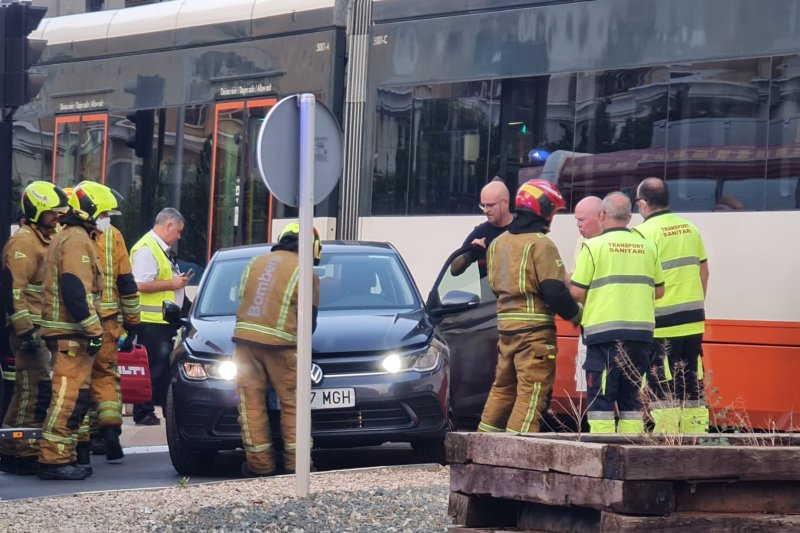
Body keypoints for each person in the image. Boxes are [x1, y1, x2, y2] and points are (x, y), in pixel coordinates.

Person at [478, 179, 582, 434]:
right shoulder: (541, 244)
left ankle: (482, 443)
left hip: (506, 330)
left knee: (502, 389)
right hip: (534, 335)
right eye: (553, 212)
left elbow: (492, 287)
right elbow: (555, 292)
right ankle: (516, 453)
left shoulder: (499, 243)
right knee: (531, 395)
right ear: (544, 210)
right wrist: (579, 315)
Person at [570, 192, 664, 434]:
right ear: (629, 217)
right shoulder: (648, 246)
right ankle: (631, 449)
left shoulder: (593, 247)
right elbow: (660, 291)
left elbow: (577, 293)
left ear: (602, 215)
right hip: (641, 337)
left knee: (601, 400)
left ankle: (602, 451)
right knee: (631, 399)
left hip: (604, 337)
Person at [233, 222, 320, 476]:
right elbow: (309, 323)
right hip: (282, 347)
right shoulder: (306, 272)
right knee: (294, 403)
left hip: (246, 343)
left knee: (250, 404)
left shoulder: (254, 263)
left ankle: (260, 466)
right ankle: (297, 466)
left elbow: (242, 300)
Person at [67, 182, 141, 463]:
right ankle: (109, 429)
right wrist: (133, 322)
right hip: (109, 323)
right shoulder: (115, 236)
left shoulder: (69, 235)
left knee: (80, 382)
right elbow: (126, 282)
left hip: (79, 322)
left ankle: (82, 444)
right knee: (106, 376)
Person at [0, 182, 69, 475]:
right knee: (34, 390)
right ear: (36, 211)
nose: (56, 217)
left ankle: (10, 446)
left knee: (25, 391)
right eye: (52, 213)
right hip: (28, 332)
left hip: (40, 329)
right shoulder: (24, 243)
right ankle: (23, 450)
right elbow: (14, 290)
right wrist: (26, 330)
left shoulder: (42, 239)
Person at [37, 190, 104, 480]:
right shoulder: (77, 240)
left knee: (76, 397)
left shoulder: (70, 237)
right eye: (101, 214)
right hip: (71, 333)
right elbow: (75, 288)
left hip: (68, 331)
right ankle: (53, 459)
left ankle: (64, 455)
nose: (103, 221)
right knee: (67, 397)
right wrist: (94, 328)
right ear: (87, 211)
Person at [634, 177, 710, 433]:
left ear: (643, 203)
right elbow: (704, 272)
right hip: (693, 319)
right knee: (691, 383)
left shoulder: (643, 234)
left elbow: (642, 283)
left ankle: (666, 440)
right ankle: (696, 437)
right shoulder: (690, 228)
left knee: (662, 383)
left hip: (662, 323)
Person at [130, 208, 187, 426]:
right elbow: (140, 284)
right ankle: (143, 412)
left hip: (162, 321)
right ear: (168, 226)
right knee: (151, 370)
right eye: (178, 231)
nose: (178, 237)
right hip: (150, 322)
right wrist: (172, 284)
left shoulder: (160, 249)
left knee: (160, 369)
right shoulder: (147, 248)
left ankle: (156, 408)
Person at [570, 196, 603, 394]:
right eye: (576, 220)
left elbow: (577, 289)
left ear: (600, 216)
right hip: (588, 326)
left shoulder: (605, 244)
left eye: (581, 220)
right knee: (589, 390)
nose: (578, 225)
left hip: (604, 328)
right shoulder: (582, 242)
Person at [450, 179, 513, 278]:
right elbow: (454, 270)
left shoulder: (522, 229)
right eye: (483, 205)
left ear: (505, 203)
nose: (486, 210)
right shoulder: (480, 233)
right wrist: (470, 254)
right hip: (489, 293)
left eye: (491, 205)